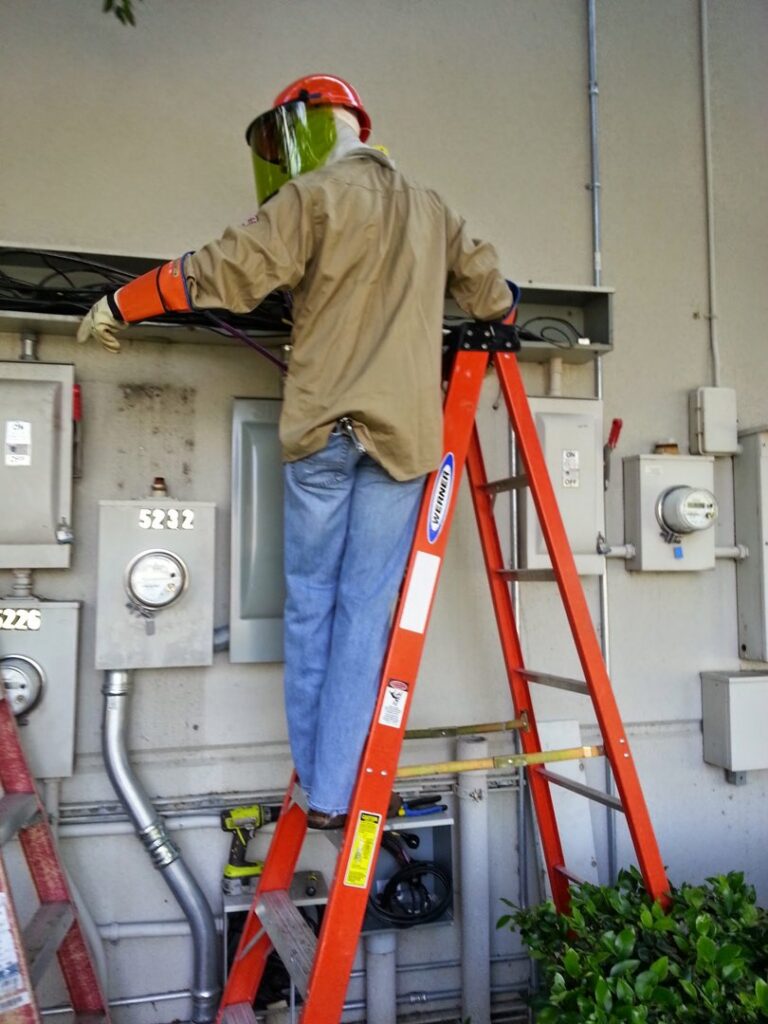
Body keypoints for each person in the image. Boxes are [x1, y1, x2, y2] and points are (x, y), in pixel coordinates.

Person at [77, 74, 514, 829]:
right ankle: (341, 789)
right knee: (366, 612)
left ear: (304, 130)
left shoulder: (310, 199)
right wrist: (501, 308)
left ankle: (320, 788)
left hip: (321, 432)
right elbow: (490, 294)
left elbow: (223, 270)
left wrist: (122, 300)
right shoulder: (432, 207)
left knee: (311, 607)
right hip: (405, 439)